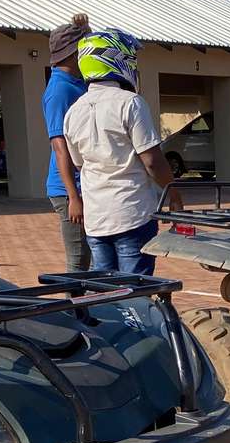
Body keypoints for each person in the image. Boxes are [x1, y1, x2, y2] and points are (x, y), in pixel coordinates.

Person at [62, 27, 181, 276]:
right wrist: (174, 193)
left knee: (105, 292)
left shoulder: (73, 112)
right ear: (119, 60)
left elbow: (80, 164)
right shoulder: (130, 103)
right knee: (134, 292)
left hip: (96, 219)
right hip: (131, 213)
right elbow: (152, 161)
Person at [43, 13, 92, 271]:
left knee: (94, 258)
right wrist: (73, 195)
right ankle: (73, 311)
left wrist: (85, 28)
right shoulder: (59, 90)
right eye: (82, 48)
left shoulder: (77, 82)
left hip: (85, 185)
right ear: (72, 54)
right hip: (67, 190)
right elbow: (59, 146)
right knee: (78, 260)